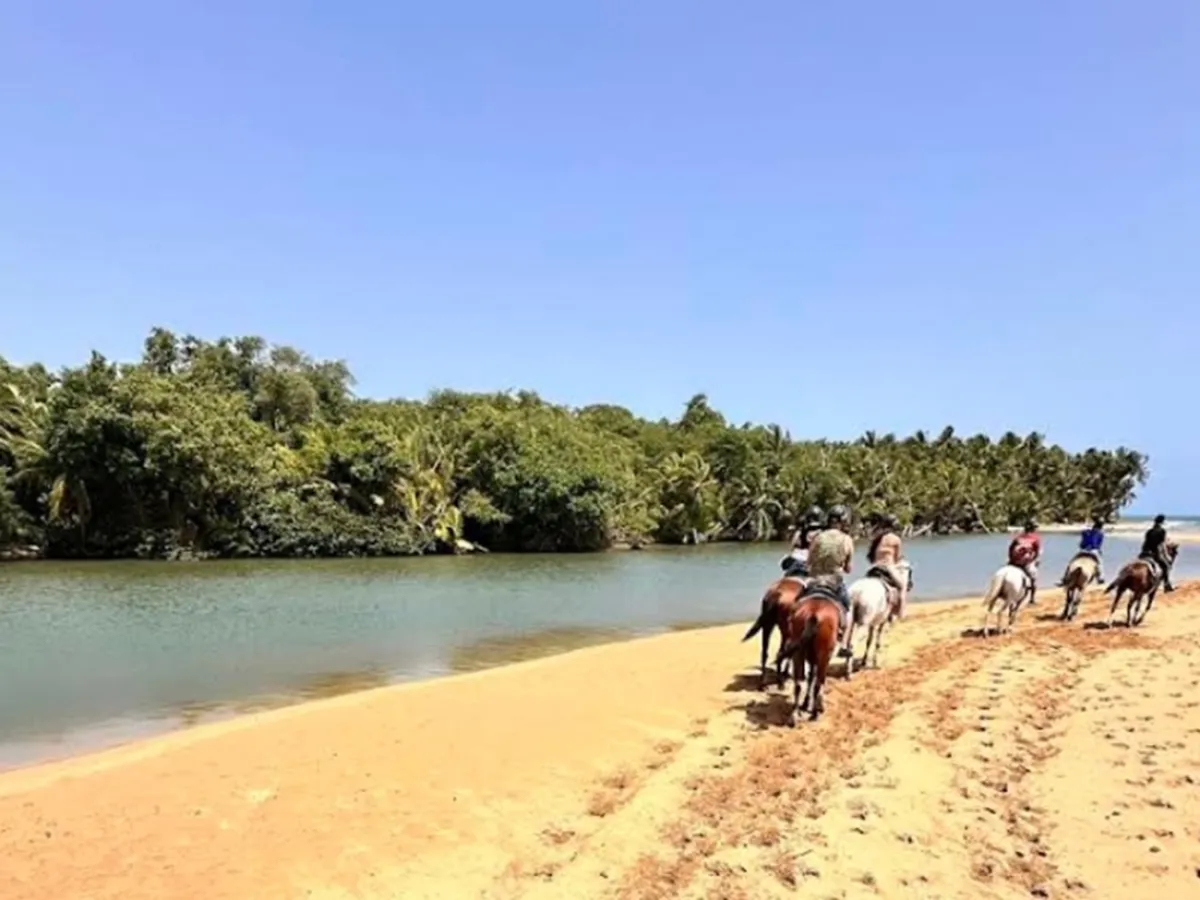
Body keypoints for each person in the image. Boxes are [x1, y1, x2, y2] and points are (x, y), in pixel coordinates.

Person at [806, 504, 855, 654]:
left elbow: (809, 561)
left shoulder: (818, 537)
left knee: (797, 603)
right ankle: (844, 645)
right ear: (843, 521)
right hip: (834, 582)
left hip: (814, 581)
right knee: (848, 609)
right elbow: (848, 568)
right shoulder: (846, 539)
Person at [867, 513, 909, 618]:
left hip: (874, 567)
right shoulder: (895, 539)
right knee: (902, 586)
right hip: (888, 567)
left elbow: (871, 556)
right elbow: (896, 558)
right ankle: (900, 612)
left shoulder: (877, 538)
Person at [780, 505, 824, 577]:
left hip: (795, 562)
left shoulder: (800, 531)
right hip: (809, 565)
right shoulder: (821, 533)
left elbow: (792, 547)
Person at [1059, 519, 1105, 586]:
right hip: (1093, 551)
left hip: (1083, 551)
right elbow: (1099, 545)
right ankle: (1100, 578)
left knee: (1071, 562)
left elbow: (1081, 543)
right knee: (1100, 564)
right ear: (1101, 526)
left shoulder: (1086, 532)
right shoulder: (1100, 534)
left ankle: (1064, 578)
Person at [1008, 520, 1042, 604]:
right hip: (1026, 562)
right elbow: (1037, 552)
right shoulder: (1035, 538)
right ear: (1033, 529)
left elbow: (1010, 549)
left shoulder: (1018, 537)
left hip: (1014, 561)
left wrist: (1011, 559)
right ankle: (1032, 599)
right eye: (1035, 528)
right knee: (1033, 578)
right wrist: (1033, 560)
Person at [1139, 514, 1176, 592]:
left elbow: (1145, 543)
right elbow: (1161, 545)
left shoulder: (1149, 531)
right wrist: (1166, 556)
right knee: (1166, 567)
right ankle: (1166, 585)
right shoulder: (1162, 531)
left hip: (1144, 553)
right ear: (1162, 522)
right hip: (1154, 554)